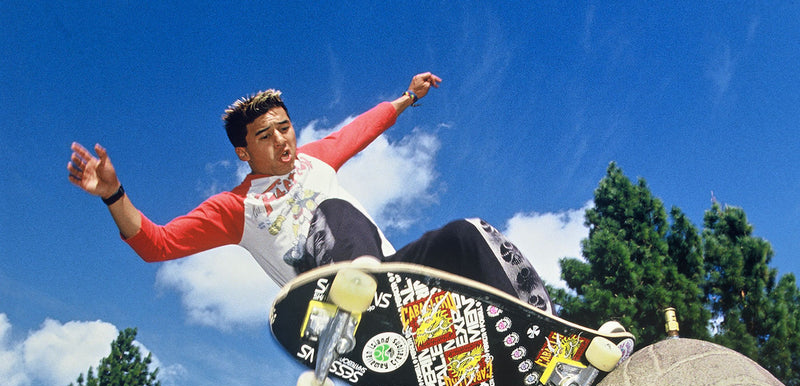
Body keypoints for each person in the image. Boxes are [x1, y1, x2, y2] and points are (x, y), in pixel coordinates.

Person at [68, 72, 551, 311]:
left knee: (471, 234)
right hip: (330, 307)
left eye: (286, 128)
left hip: (395, 283)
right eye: (265, 135)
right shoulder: (235, 208)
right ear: (243, 152)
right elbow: (158, 244)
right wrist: (114, 194)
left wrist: (407, 97)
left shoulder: (316, 158)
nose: (283, 141)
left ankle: (550, 333)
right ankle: (361, 289)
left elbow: (361, 128)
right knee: (332, 209)